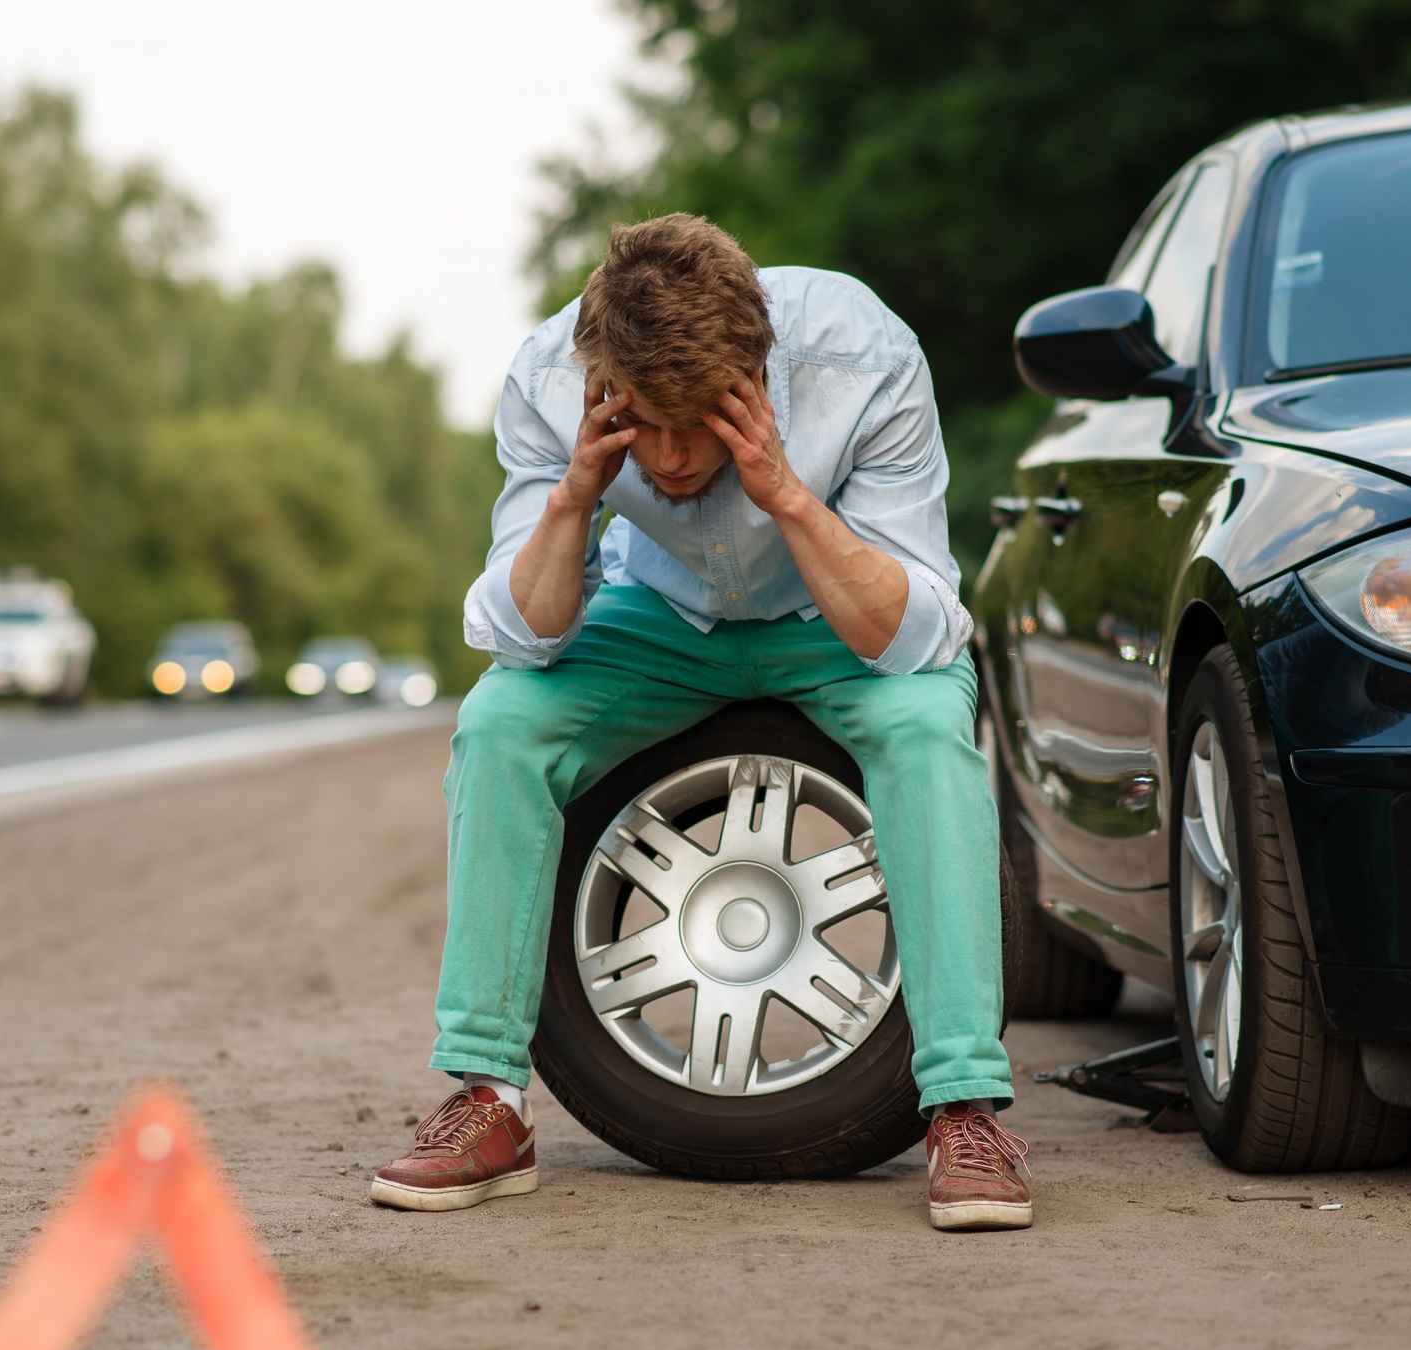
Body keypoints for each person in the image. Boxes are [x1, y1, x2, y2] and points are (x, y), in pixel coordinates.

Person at [369, 214, 1030, 1231]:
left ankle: (963, 1107)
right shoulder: (549, 377)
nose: (671, 459)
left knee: (925, 729)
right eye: (646, 424)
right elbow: (527, 637)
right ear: (600, 381)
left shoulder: (862, 355)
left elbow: (906, 633)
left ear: (757, 373)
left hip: (833, 613)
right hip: (654, 618)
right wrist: (575, 498)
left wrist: (781, 490)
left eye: (699, 424)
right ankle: (487, 1101)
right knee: (500, 722)